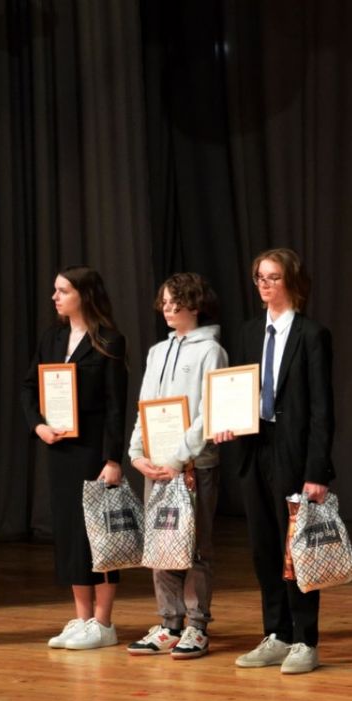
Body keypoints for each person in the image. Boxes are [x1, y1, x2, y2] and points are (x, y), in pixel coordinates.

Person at [214, 248, 335, 675]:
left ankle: (304, 639)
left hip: (293, 450)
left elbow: (322, 410)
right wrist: (226, 422)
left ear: (292, 282)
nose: (264, 285)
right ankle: (276, 633)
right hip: (255, 447)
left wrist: (316, 471)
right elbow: (237, 390)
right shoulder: (249, 331)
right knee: (263, 547)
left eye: (273, 277)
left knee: (296, 548)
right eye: (259, 278)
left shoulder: (311, 334)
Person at [22, 266, 128, 650]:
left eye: (63, 291)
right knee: (69, 533)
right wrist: (38, 426)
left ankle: (104, 622)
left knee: (97, 535)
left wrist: (112, 459)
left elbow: (116, 405)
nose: (55, 297)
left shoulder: (109, 340)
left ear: (84, 295)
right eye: (55, 290)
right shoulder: (52, 338)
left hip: (93, 452)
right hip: (60, 450)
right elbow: (29, 387)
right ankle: (82, 618)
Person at [126, 273, 228, 659]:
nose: (168, 309)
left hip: (192, 465)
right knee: (162, 543)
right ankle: (170, 623)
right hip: (157, 464)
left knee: (195, 545)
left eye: (176, 302)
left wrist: (178, 457)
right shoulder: (157, 351)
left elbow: (209, 411)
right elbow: (145, 405)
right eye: (165, 303)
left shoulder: (211, 351)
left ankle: (197, 626)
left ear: (195, 304)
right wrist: (137, 452)